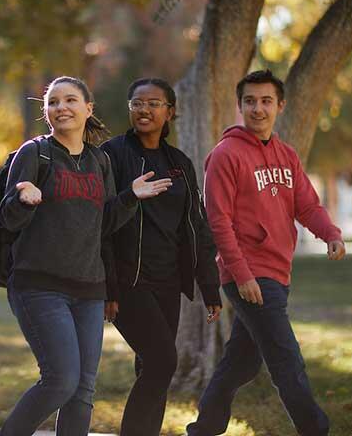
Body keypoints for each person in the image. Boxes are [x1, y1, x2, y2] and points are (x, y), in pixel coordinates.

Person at [0, 76, 172, 436]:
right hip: (39, 285)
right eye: (54, 102)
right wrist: (22, 199)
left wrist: (129, 197)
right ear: (46, 111)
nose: (62, 108)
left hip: (89, 290)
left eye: (70, 100)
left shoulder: (98, 161)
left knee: (82, 391)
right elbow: (8, 219)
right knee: (61, 380)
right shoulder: (35, 152)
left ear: (88, 109)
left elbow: (102, 224)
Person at [186, 70, 346, 436]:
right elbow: (218, 222)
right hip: (248, 273)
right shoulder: (225, 155)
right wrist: (241, 275)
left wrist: (330, 234)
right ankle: (315, 429)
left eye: (266, 101)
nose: (258, 109)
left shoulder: (286, 155)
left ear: (280, 106)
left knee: (241, 364)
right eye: (250, 101)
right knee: (286, 359)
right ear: (240, 106)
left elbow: (307, 205)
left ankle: (204, 429)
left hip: (277, 271)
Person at [100, 78, 222, 436]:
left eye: (154, 104)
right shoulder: (112, 154)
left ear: (170, 112)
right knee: (163, 361)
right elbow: (101, 222)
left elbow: (196, 226)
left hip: (168, 282)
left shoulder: (180, 163)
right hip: (128, 281)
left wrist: (209, 286)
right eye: (137, 103)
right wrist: (109, 287)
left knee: (151, 368)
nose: (144, 110)